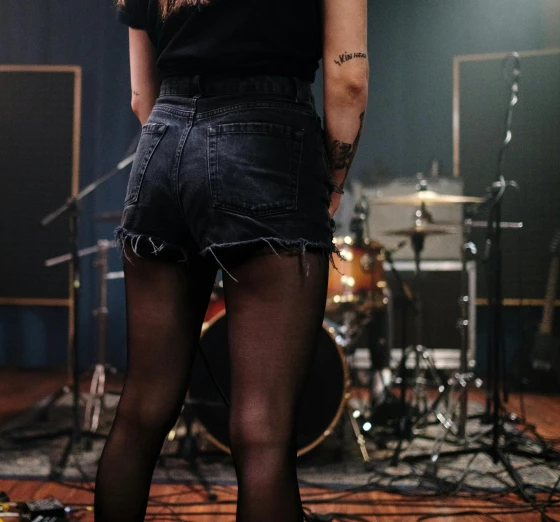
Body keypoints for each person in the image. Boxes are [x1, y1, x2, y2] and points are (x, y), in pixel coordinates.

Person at [95, 0, 368, 520]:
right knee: (263, 432)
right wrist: (329, 186)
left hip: (162, 142)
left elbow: (139, 97)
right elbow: (349, 79)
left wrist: (182, 148)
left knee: (139, 414)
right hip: (269, 139)